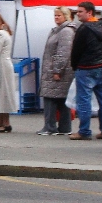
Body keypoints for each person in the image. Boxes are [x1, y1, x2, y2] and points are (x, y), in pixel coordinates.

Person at [69, 1, 102, 140]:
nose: (77, 14)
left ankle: (84, 131)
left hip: (86, 68)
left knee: (84, 101)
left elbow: (76, 50)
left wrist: (74, 66)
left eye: (80, 11)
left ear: (89, 12)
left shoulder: (84, 29)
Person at [38, 7, 77, 136]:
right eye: (55, 15)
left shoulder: (65, 31)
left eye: (59, 15)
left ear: (66, 16)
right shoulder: (59, 30)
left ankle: (50, 127)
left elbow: (63, 52)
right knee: (61, 99)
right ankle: (64, 128)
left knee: (50, 99)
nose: (56, 18)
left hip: (58, 71)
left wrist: (57, 70)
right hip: (57, 70)